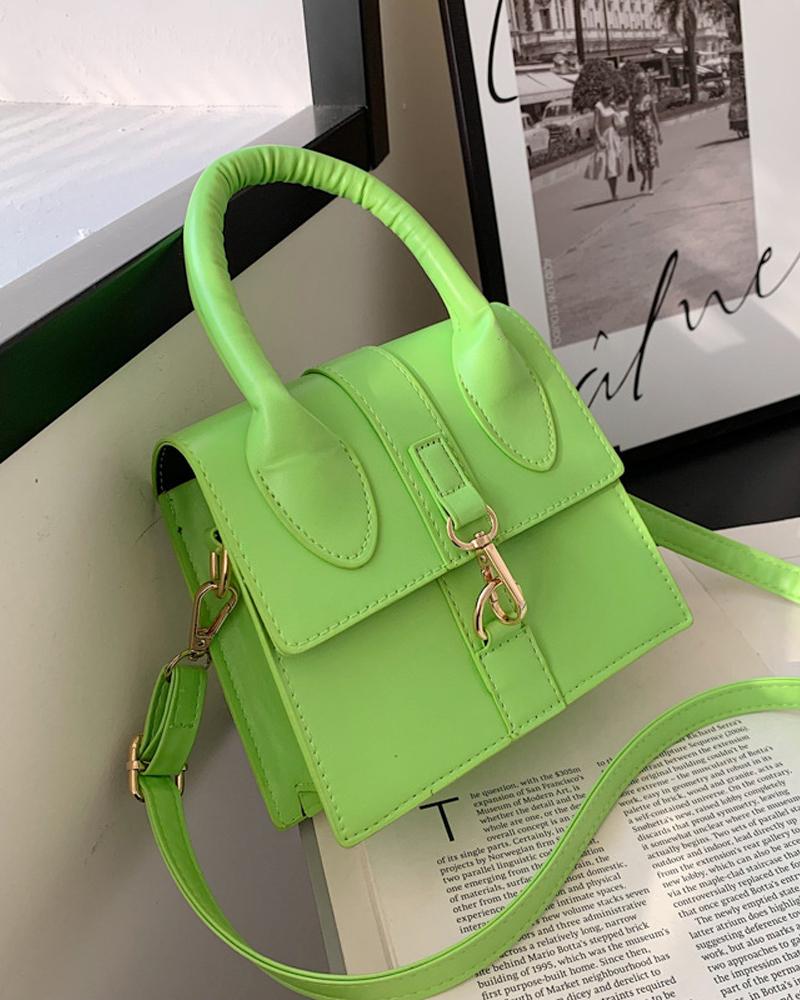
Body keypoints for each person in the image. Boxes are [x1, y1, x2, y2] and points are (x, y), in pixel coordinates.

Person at [586, 83, 624, 201]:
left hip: (613, 136)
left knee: (615, 164)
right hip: (605, 137)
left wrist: (619, 134)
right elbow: (596, 125)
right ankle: (613, 193)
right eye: (612, 93)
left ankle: (614, 192)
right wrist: (599, 138)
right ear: (607, 93)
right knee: (609, 165)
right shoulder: (599, 106)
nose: (613, 95)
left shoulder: (612, 105)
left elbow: (617, 121)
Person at [629, 71, 663, 195]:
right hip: (637, 132)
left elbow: (654, 116)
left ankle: (650, 186)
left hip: (649, 131)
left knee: (650, 159)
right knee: (640, 159)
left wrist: (659, 132)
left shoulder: (649, 99)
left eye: (643, 82)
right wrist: (629, 134)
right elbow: (631, 118)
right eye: (639, 82)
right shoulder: (632, 101)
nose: (641, 85)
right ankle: (644, 177)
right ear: (636, 84)